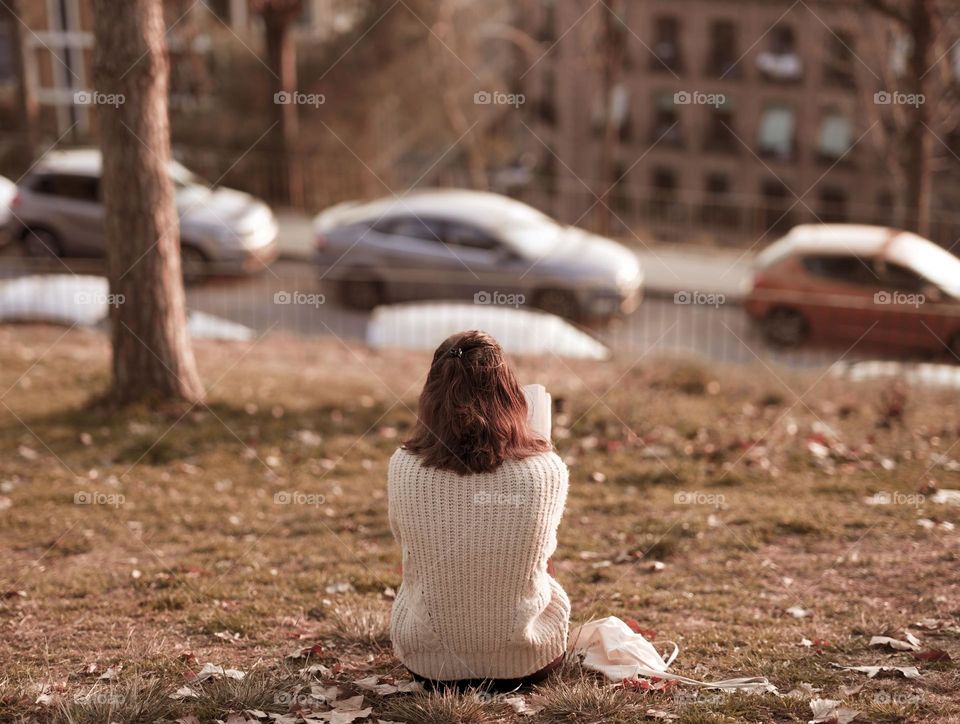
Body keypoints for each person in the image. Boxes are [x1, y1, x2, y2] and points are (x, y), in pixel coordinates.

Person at [388, 330, 570, 692]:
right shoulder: (546, 468)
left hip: (430, 665)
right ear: (509, 392)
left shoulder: (403, 466)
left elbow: (409, 552)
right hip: (527, 659)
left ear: (432, 395)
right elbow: (542, 557)